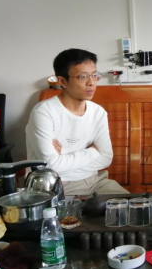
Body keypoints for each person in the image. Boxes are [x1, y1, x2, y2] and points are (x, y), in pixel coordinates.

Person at [26, 48, 129, 196]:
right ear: (62, 81)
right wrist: (93, 151)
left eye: (95, 75)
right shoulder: (44, 112)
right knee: (78, 210)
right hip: (57, 184)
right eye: (82, 77)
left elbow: (106, 158)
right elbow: (51, 166)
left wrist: (63, 157)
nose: (91, 83)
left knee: (130, 205)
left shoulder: (98, 112)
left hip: (96, 181)